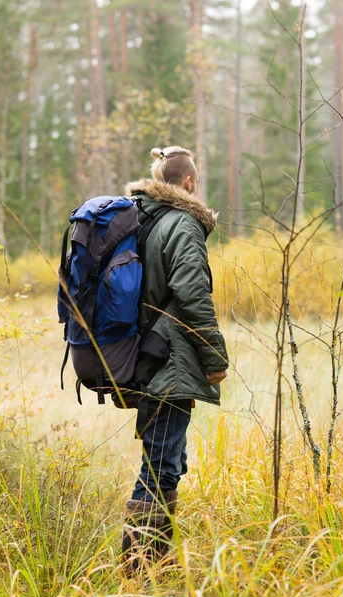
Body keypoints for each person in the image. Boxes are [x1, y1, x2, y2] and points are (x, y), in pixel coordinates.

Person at [122, 145, 229, 572]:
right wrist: (215, 355)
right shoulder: (182, 224)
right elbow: (192, 295)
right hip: (168, 359)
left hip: (140, 353)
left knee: (165, 457)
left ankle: (152, 564)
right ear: (187, 183)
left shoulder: (140, 217)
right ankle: (138, 571)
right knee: (161, 464)